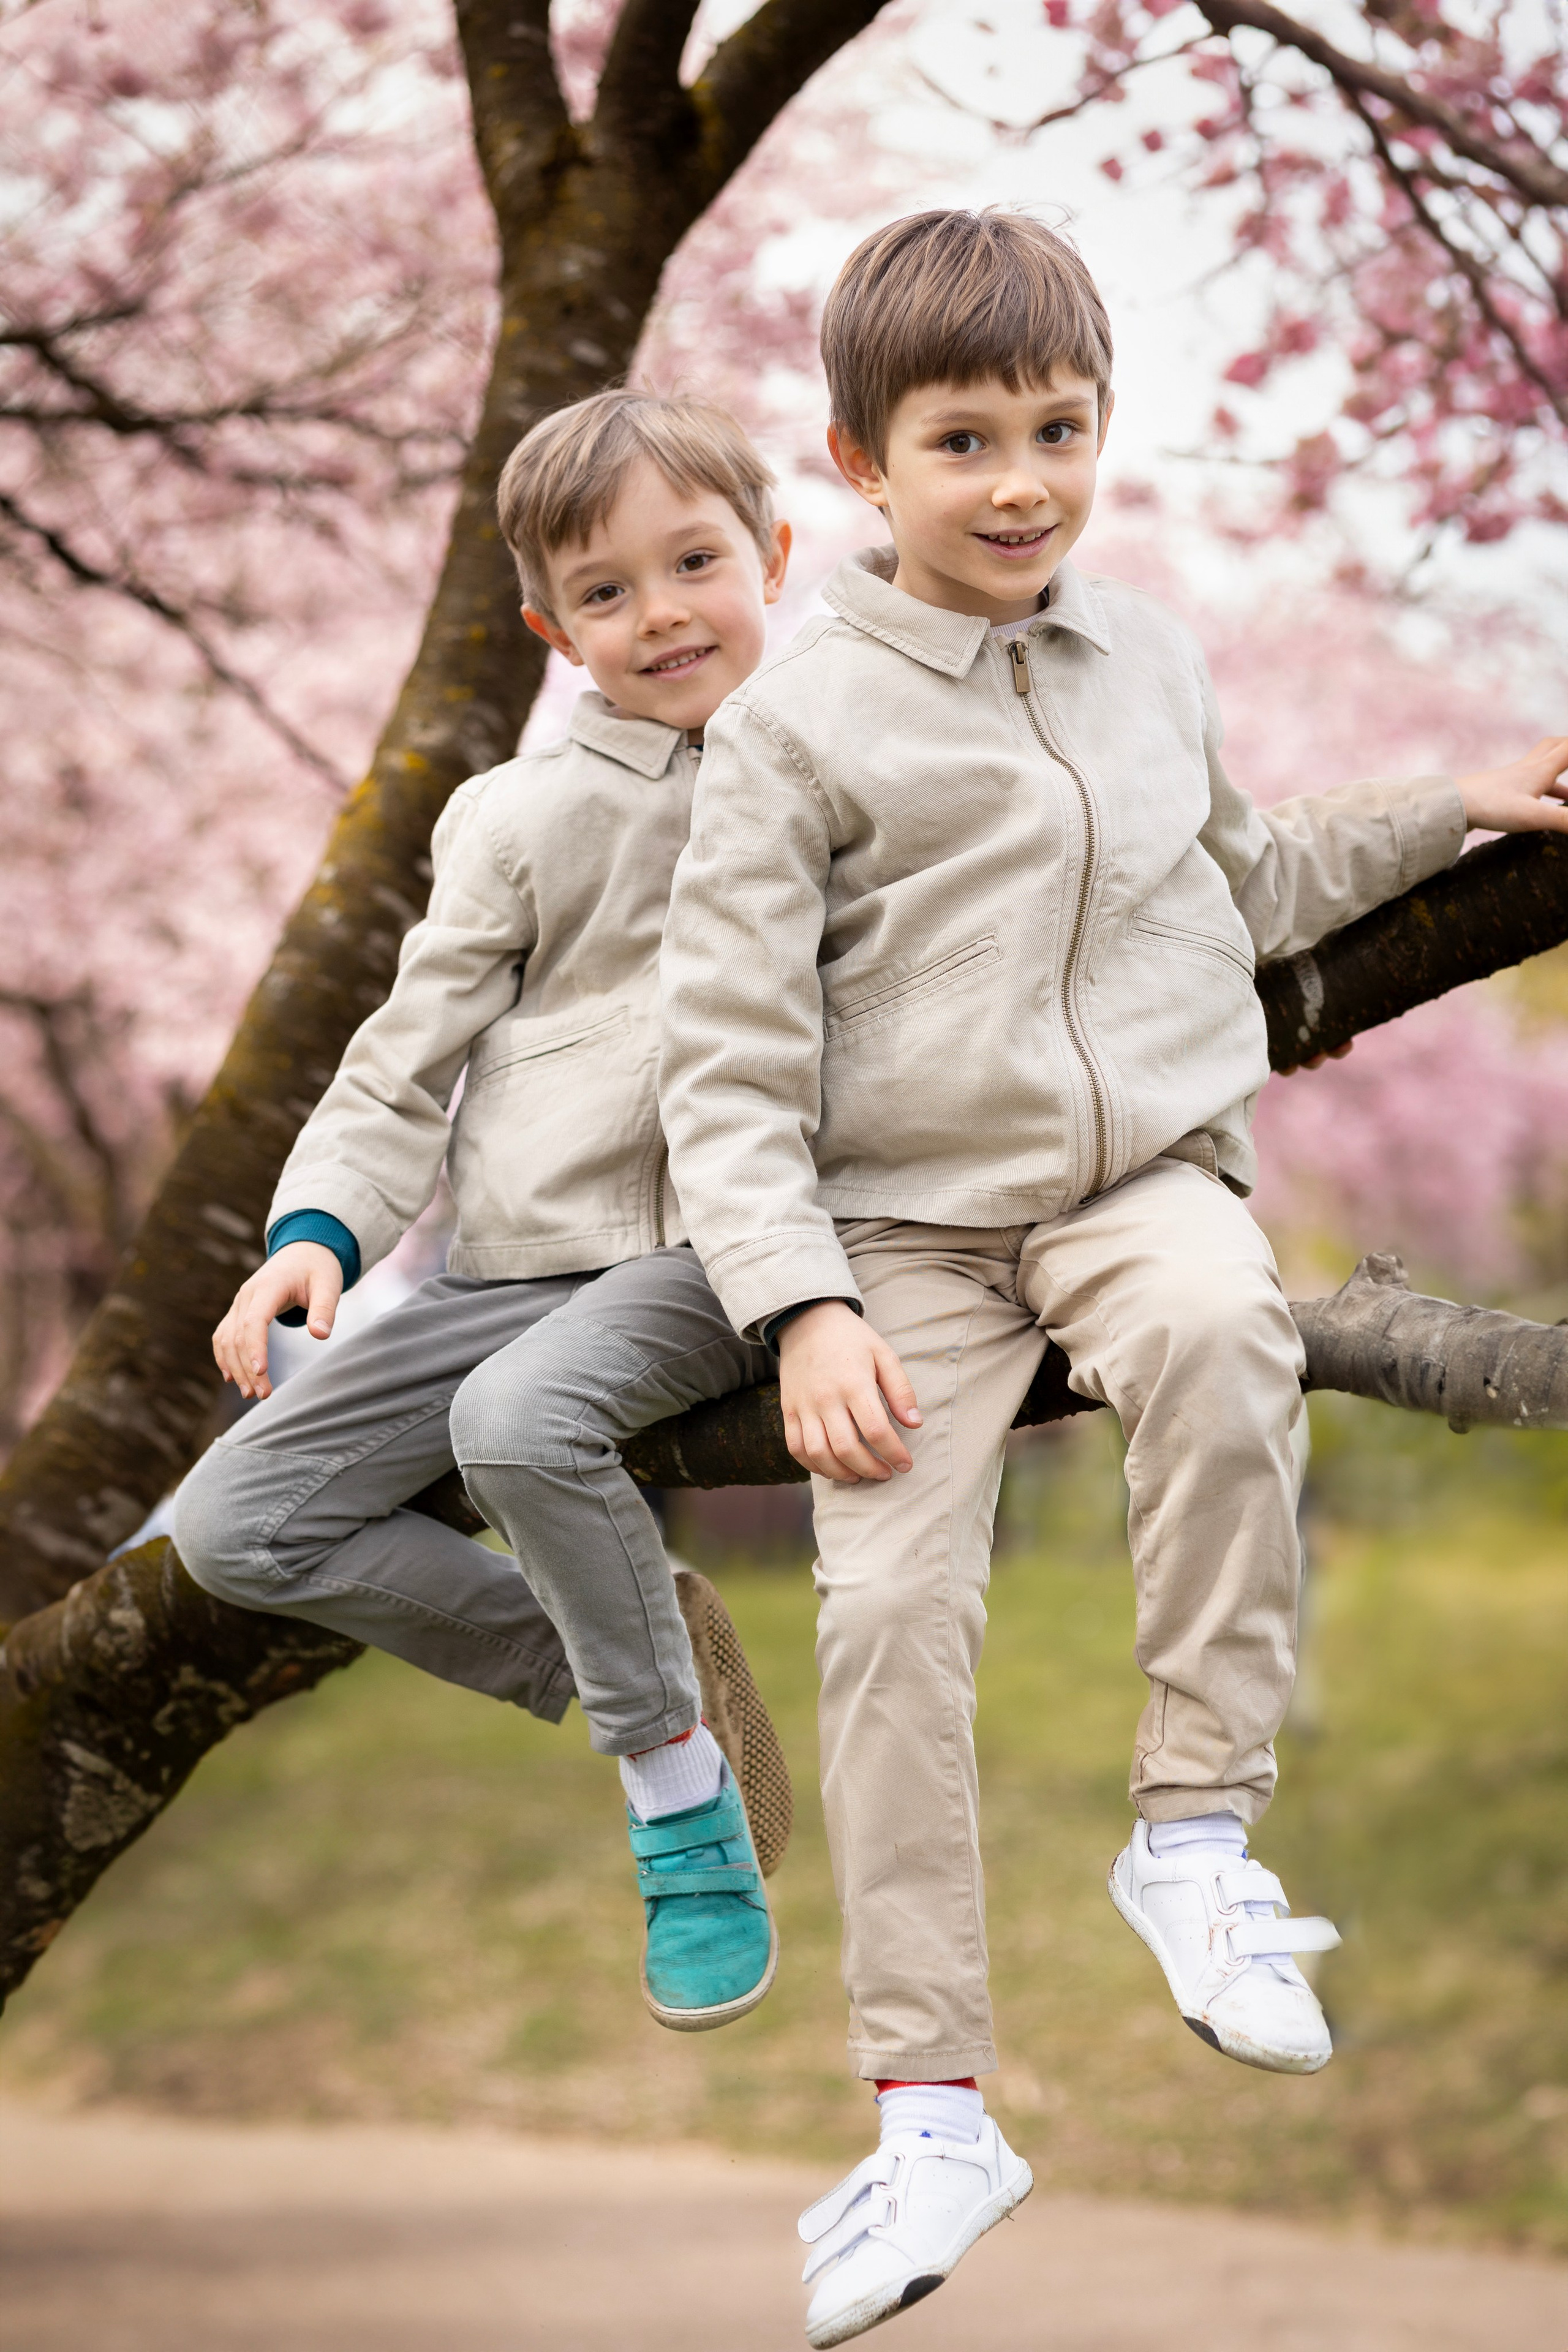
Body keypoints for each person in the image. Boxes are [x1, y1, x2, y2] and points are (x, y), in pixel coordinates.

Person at [655, 208, 1568, 2345]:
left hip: (1136, 1182)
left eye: (1058, 429)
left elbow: (1233, 879)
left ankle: (1192, 1834)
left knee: (1230, 1327)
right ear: (856, 464)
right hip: (898, 1242)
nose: (1020, 481)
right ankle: (931, 2106)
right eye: (962, 439)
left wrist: (1452, 802)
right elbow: (725, 1058)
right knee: (891, 1615)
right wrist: (799, 1305)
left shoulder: (1148, 653)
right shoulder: (794, 733)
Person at [175, 388, 797, 2037]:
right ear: (550, 629)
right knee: (235, 1529)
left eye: (694, 561)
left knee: (519, 1429)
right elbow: (403, 1062)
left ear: (775, 557)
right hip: (509, 1262)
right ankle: (644, 1658)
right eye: (606, 591)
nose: (661, 612)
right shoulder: (517, 822)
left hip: (716, 1247)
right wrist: (314, 1240)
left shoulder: (854, 767)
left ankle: (677, 1802)